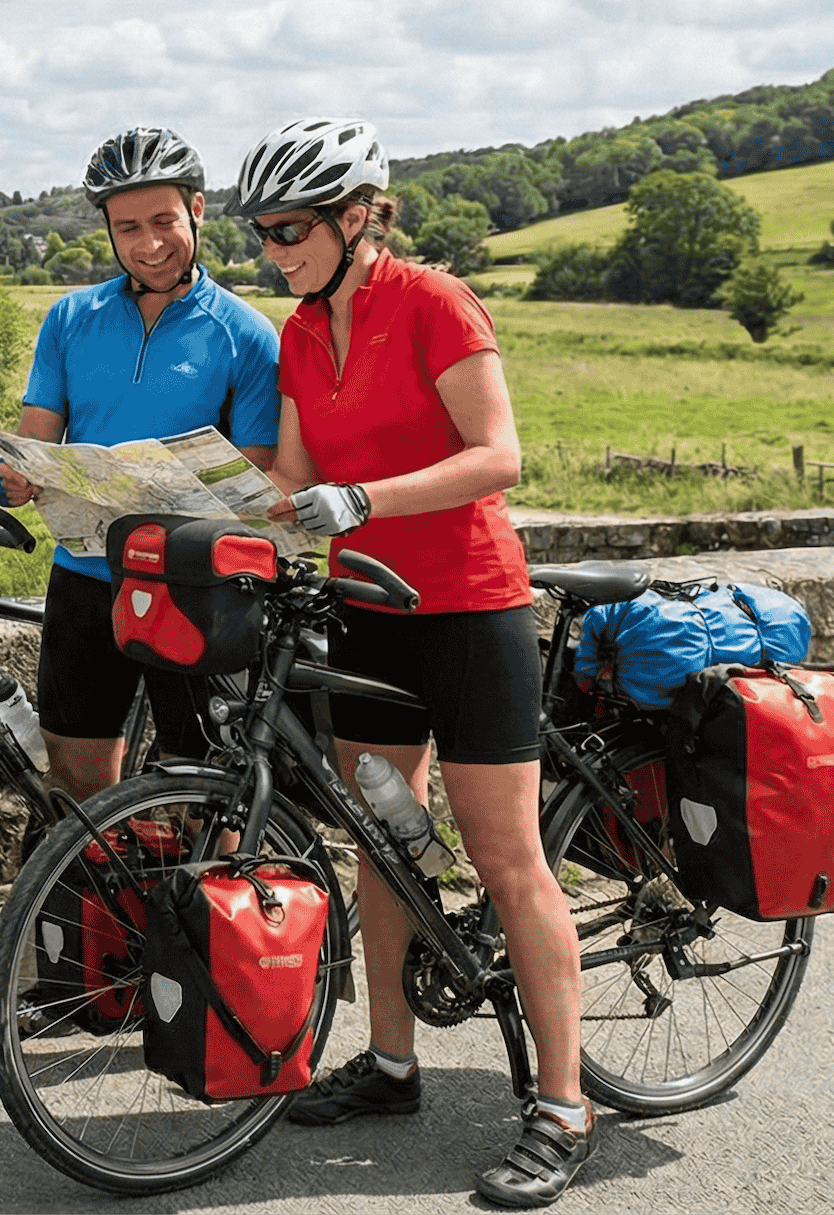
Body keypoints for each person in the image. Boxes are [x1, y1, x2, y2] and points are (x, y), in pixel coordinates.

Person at [239, 117, 591, 1208]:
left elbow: (498, 454)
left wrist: (367, 499)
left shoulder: (437, 302)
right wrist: (186, 492)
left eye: (289, 228)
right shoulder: (300, 332)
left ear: (357, 216)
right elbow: (293, 477)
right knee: (381, 843)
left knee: (504, 854)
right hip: (367, 605)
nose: (272, 248)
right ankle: (391, 1062)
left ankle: (565, 1105)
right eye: (261, 231)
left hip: (468, 608)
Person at [0, 127, 280, 802]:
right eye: (127, 228)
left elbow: (256, 481)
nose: (148, 244)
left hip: (195, 588)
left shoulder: (247, 335)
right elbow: (34, 444)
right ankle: (94, 908)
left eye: (163, 221)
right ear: (108, 232)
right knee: (76, 786)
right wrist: (10, 479)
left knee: (199, 794)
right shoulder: (70, 318)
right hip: (86, 580)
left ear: (198, 211)